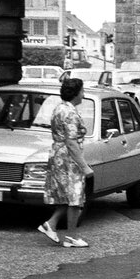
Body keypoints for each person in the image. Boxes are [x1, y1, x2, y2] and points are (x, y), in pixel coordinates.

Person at [37, 78, 93, 248]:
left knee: (67, 196)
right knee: (76, 197)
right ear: (76, 93)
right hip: (68, 157)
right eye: (82, 91)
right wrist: (84, 166)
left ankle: (51, 224)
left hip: (58, 155)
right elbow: (71, 142)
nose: (83, 94)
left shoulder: (59, 108)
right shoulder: (70, 113)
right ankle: (72, 237)